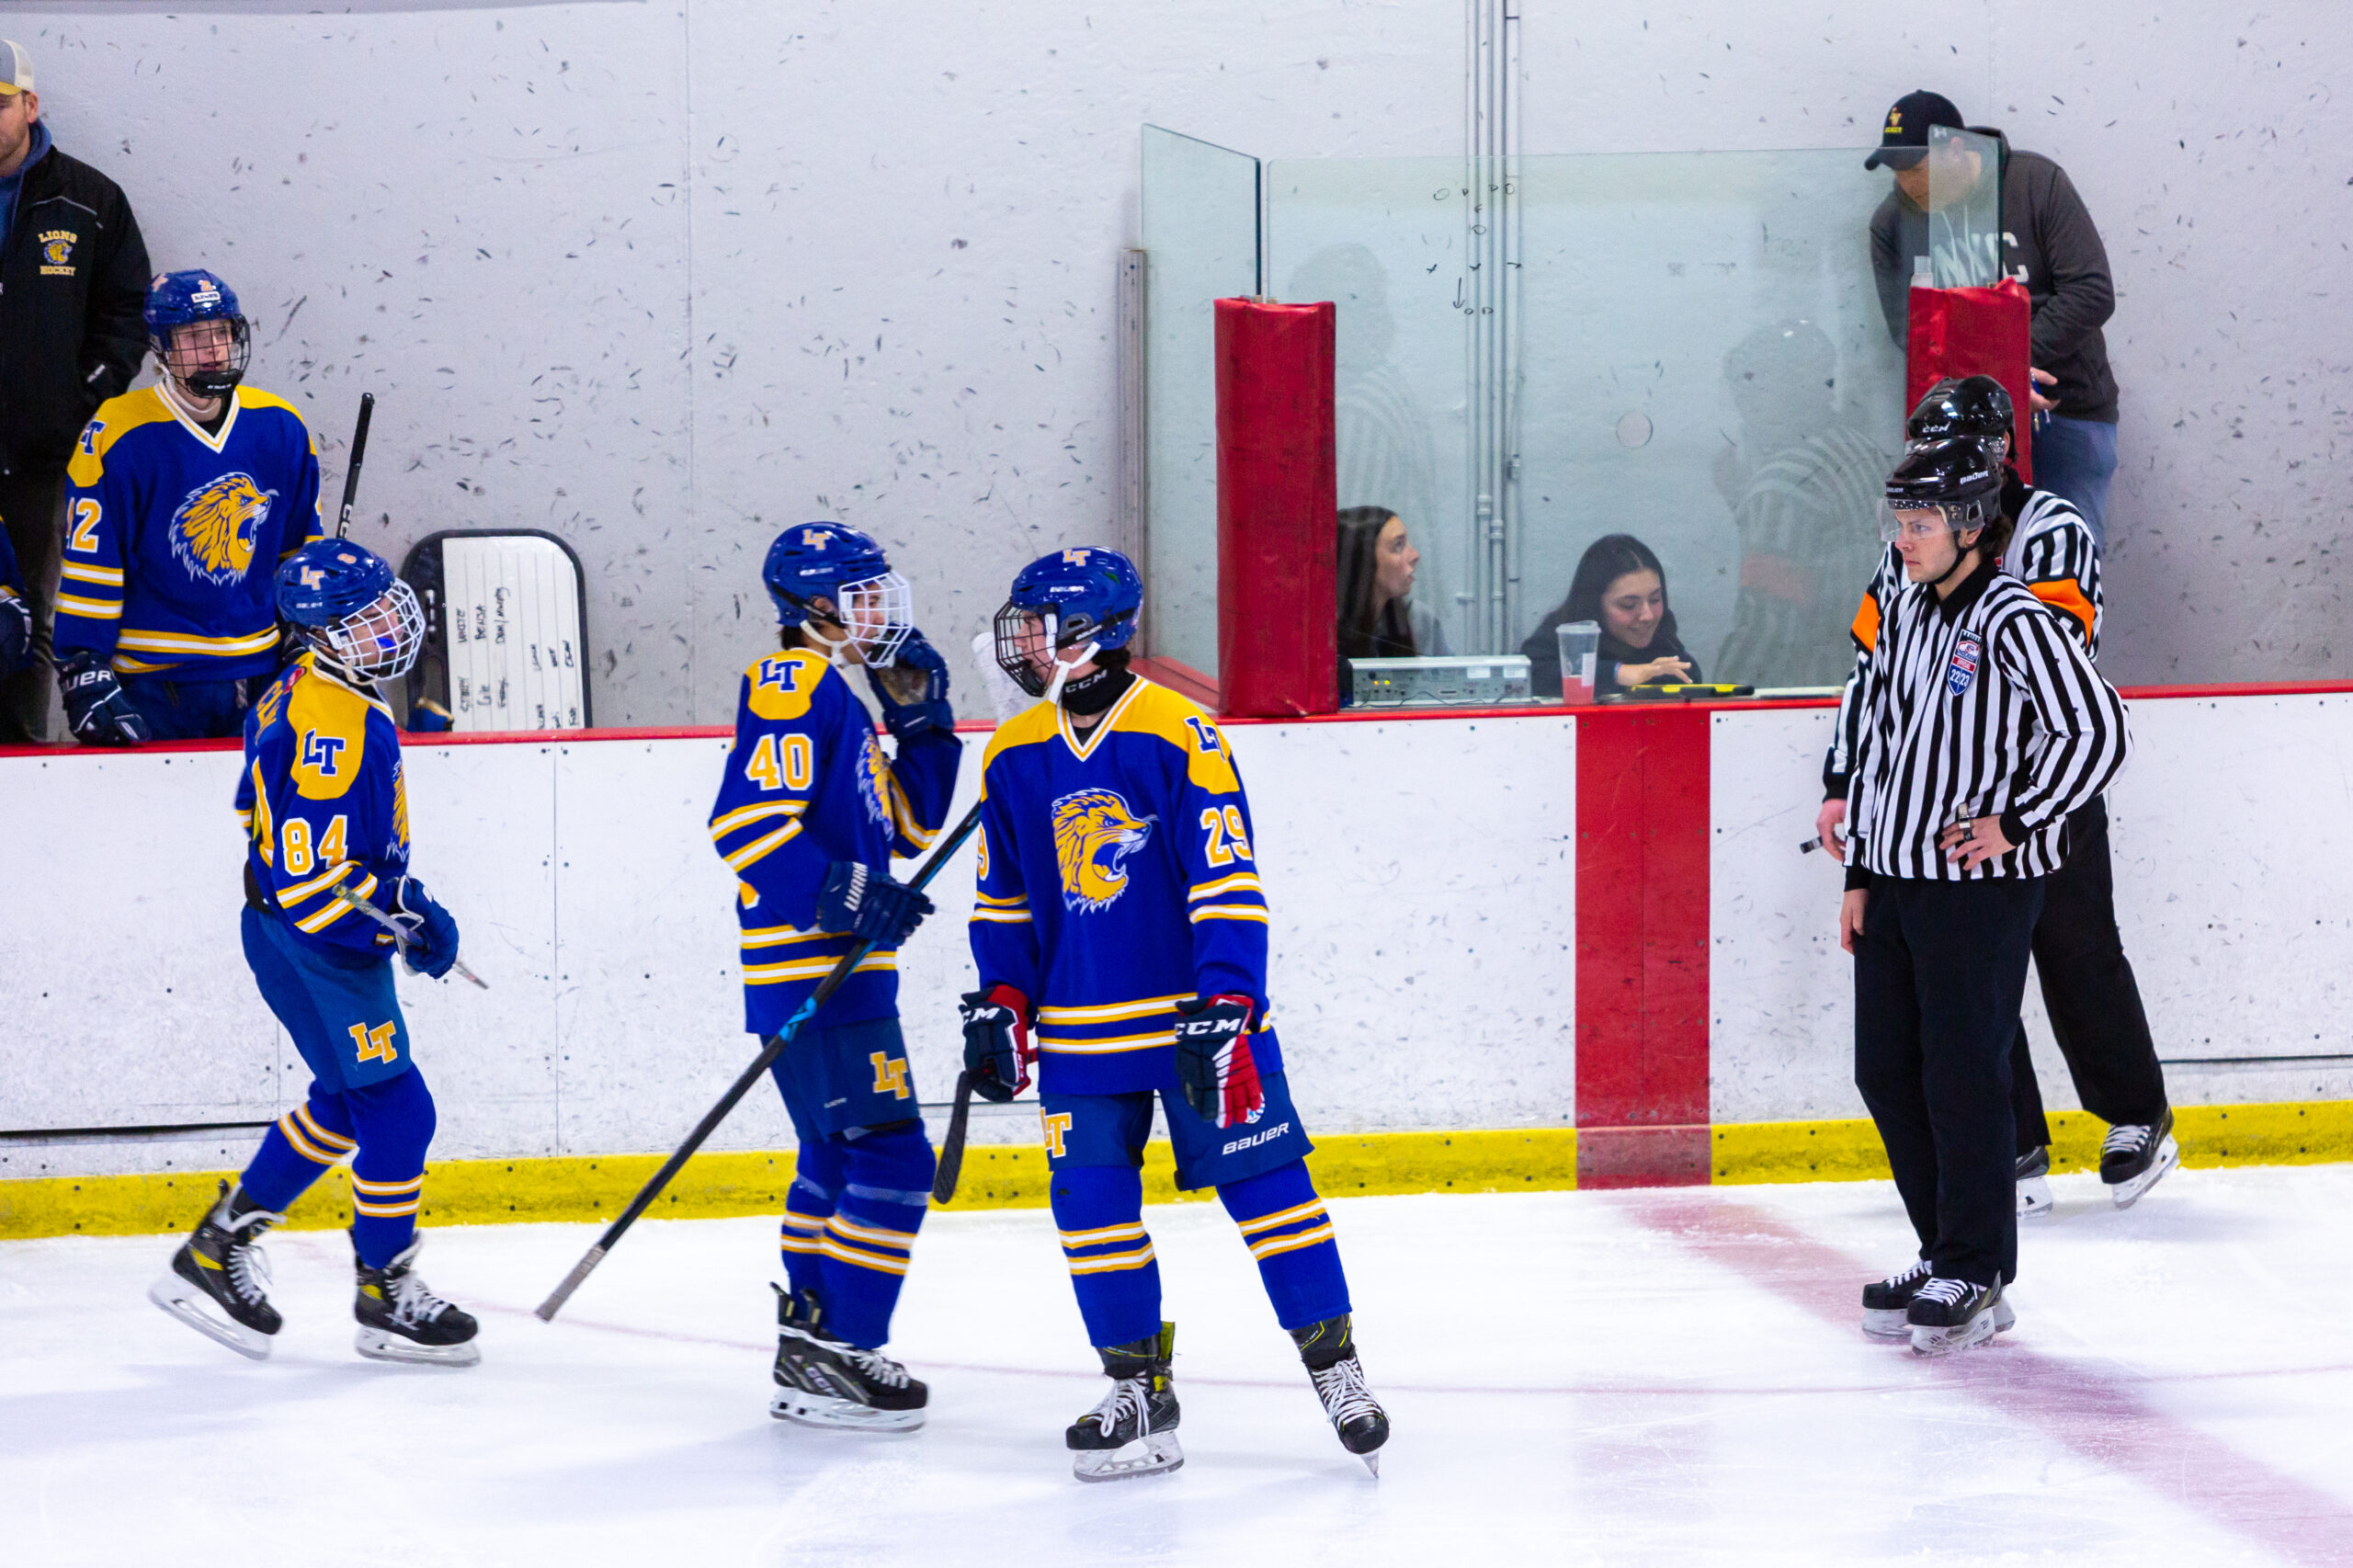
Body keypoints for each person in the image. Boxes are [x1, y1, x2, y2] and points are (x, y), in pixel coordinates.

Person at [960, 546, 1388, 1480]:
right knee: (1092, 1213)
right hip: (1080, 1035)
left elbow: (1226, 881)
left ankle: (1337, 1370)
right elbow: (1005, 901)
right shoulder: (1012, 752)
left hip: (1196, 1021)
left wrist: (1230, 999)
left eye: (1039, 625)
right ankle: (1138, 1392)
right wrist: (1003, 998)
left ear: (1091, 634)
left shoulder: (1180, 733)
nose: (1022, 642)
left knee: (1273, 1197)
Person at [1820, 378, 2176, 1216]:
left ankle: (2135, 1112)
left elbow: (2056, 671)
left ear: (2001, 452)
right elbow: (1873, 670)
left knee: (2077, 953)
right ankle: (2010, 1140)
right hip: (1948, 802)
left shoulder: (2051, 529)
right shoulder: (1916, 537)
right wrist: (1844, 782)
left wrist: (2012, 809)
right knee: (1969, 971)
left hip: (2040, 792)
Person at [148, 540, 478, 1366]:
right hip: (318, 945)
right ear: (321, 634)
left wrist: (398, 906)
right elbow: (313, 885)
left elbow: (258, 816)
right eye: (363, 620)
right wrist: (401, 920)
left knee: (344, 1101)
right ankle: (384, 1292)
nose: (388, 627)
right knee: (400, 1111)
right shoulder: (336, 722)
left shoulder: (300, 686)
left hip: (279, 930)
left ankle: (218, 1245)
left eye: (383, 608)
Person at [1836, 437, 2130, 1356]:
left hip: (1977, 890)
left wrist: (2018, 819)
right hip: (1895, 881)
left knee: (1963, 1074)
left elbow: (2098, 730)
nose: (1903, 537)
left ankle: (1976, 1265)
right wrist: (1858, 873)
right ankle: (1945, 1252)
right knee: (1886, 1070)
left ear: (1969, 525)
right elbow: (1881, 742)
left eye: (1920, 522)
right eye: (1899, 520)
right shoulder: (1906, 607)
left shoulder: (2014, 616)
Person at [707, 520, 961, 1431]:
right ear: (813, 605)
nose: (877, 607)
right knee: (894, 1156)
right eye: (859, 592)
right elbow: (744, 823)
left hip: (835, 974)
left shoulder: (840, 696)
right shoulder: (793, 680)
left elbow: (910, 829)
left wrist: (921, 725)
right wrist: (846, 894)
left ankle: (810, 1338)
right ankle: (845, 1350)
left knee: (837, 1156)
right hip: (816, 970)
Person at [53, 269, 324, 743]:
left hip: (261, 676)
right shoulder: (117, 432)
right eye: (195, 337)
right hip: (153, 683)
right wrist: (82, 663)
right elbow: (92, 566)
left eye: (222, 333)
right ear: (162, 348)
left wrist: (309, 629)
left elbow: (299, 553)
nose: (214, 349)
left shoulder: (281, 425)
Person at [1865, 90, 2121, 545]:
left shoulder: (2034, 183)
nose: (1906, 184)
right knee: (1977, 564)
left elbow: (2091, 291)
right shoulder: (1893, 223)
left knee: (2065, 560)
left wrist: (2013, 371)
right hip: (1965, 426)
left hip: (2064, 409)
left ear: (1955, 149)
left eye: (1916, 169)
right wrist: (1995, 388)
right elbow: (1910, 333)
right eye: (1896, 172)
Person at [0, 40, 153, 741]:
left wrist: (81, 396)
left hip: (44, 454)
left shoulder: (89, 200)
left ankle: (22, 756)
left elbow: (127, 310)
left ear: (31, 105)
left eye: (1, 103)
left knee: (33, 611)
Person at [1710, 321, 1893, 687]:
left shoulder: (1781, 488)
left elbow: (1765, 635)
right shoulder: (1866, 452)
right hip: (1875, 677)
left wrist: (1716, 699)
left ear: (1799, 388)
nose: (1745, 406)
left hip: (1811, 690)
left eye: (1756, 388)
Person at [1519, 534, 1702, 697]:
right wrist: (1618, 673)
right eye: (1628, 605)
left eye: (1655, 600)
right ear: (1594, 605)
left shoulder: (1666, 646)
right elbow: (1529, 675)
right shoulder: (1559, 639)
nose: (1647, 616)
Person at [1335, 505, 1447, 700]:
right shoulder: (1324, 639)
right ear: (1363, 562)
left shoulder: (1418, 619)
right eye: (1398, 546)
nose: (1415, 555)